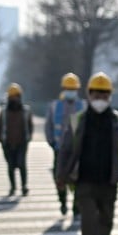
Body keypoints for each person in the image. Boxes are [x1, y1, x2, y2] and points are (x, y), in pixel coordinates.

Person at [55, 72, 118, 235]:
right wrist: (61, 176)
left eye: (104, 95)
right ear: (89, 95)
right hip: (84, 181)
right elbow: (66, 149)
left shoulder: (117, 120)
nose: (100, 99)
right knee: (88, 220)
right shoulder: (77, 120)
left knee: (106, 221)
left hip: (109, 180)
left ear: (110, 96)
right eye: (96, 95)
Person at [45, 73, 86, 216]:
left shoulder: (83, 106)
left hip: (78, 150)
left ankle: (76, 205)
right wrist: (51, 142)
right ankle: (62, 202)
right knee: (59, 177)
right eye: (68, 88)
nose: (71, 91)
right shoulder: (55, 106)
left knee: (78, 179)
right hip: (59, 149)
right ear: (63, 89)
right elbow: (49, 125)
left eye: (73, 89)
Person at [0, 82, 33, 196]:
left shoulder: (25, 111)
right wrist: (1, 141)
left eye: (16, 96)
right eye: (12, 97)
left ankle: (24, 186)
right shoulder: (4, 112)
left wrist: (28, 138)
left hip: (22, 142)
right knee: (11, 165)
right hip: (8, 143)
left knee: (22, 164)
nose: (14, 99)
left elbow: (30, 125)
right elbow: (0, 127)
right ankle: (12, 187)